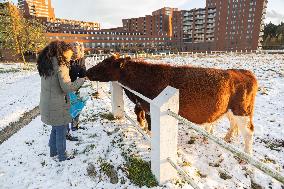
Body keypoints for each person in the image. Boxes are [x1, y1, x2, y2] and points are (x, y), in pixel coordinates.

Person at [37, 40, 87, 162]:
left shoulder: (47, 62)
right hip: (57, 104)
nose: (71, 56)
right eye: (70, 54)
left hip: (48, 102)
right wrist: (82, 79)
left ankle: (53, 152)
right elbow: (67, 87)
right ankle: (62, 156)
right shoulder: (61, 65)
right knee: (61, 130)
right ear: (63, 52)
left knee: (56, 128)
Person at [69, 42, 87, 131]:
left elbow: (83, 72)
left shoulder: (81, 59)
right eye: (73, 50)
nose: (75, 53)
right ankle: (66, 129)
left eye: (77, 50)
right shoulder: (66, 59)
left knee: (77, 106)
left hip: (76, 86)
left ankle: (75, 126)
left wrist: (85, 75)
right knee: (67, 108)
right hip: (66, 86)